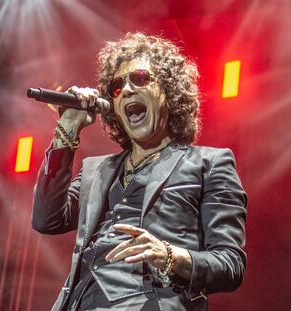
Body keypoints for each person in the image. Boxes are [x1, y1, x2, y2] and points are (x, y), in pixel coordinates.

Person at [32, 32, 247, 311]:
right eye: (117, 86)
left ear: (169, 92)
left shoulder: (209, 163)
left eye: (141, 78)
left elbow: (230, 264)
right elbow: (46, 220)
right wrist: (67, 131)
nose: (128, 90)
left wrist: (170, 256)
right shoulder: (96, 170)